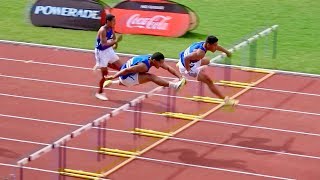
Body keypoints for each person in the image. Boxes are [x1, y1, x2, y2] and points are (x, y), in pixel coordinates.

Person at [177, 35, 238, 105]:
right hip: (186, 65)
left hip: (189, 59)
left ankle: (182, 65)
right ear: (208, 44)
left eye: (216, 45)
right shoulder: (200, 53)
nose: (216, 47)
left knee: (207, 61)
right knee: (209, 81)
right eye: (214, 45)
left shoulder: (204, 43)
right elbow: (186, 58)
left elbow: (218, 47)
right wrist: (189, 70)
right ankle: (226, 100)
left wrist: (227, 52)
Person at [103, 52, 186, 93]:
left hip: (129, 74)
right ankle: (175, 86)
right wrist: (113, 76)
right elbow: (126, 70)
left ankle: (112, 83)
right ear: (154, 61)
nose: (161, 65)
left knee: (144, 76)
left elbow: (168, 67)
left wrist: (180, 77)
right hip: (126, 77)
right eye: (160, 63)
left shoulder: (152, 58)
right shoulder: (143, 66)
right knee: (151, 77)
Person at [94, 14, 123, 100]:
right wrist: (116, 41)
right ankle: (99, 92)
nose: (115, 22)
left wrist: (115, 44)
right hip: (101, 52)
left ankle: (101, 64)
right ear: (108, 21)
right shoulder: (102, 30)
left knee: (122, 68)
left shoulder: (111, 28)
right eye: (114, 21)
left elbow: (114, 39)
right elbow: (103, 45)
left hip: (109, 50)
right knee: (105, 76)